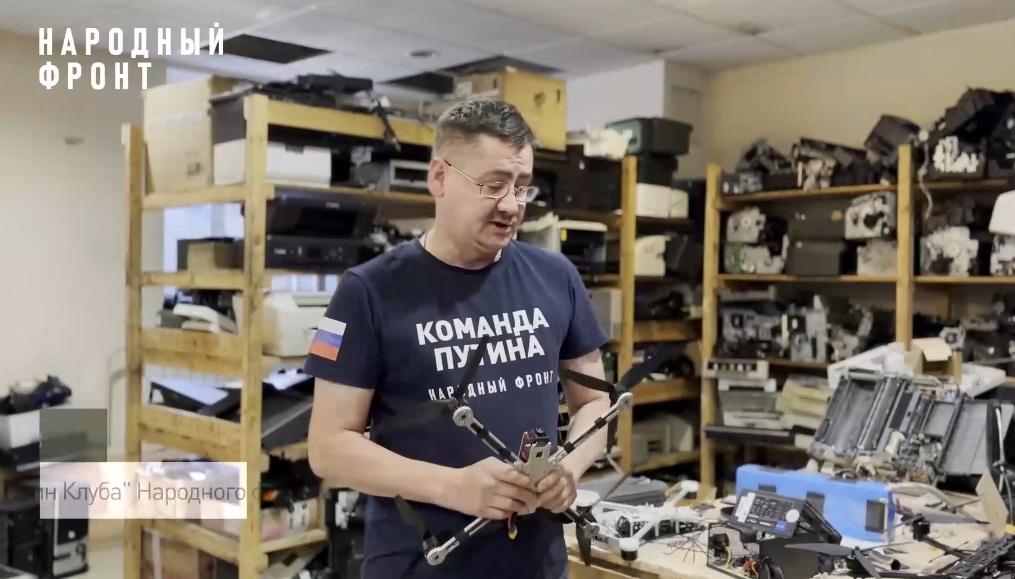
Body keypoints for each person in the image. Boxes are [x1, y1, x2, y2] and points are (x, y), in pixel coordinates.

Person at [304, 98, 612, 579]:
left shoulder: (557, 277)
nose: (511, 205)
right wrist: (451, 486)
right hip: (420, 564)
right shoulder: (367, 291)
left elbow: (595, 403)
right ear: (439, 178)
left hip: (536, 564)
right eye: (494, 185)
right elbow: (328, 448)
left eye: (522, 187)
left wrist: (568, 467)